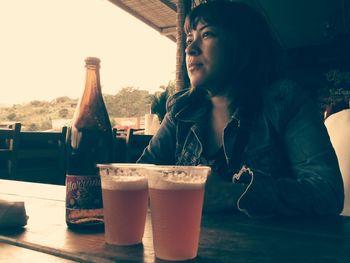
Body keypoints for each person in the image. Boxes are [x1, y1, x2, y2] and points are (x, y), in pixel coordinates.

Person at [138, 1, 344, 218]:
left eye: (207, 35)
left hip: (270, 248)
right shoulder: (181, 109)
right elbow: (140, 176)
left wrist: (232, 194)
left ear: (242, 44)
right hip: (187, 246)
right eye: (189, 40)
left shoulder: (284, 101)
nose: (190, 49)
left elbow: (327, 193)